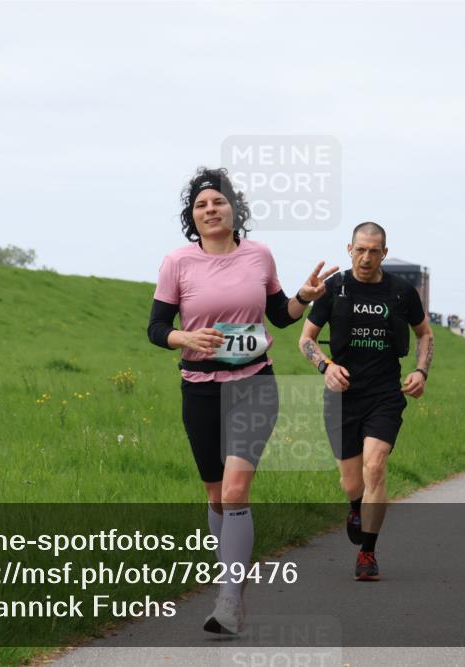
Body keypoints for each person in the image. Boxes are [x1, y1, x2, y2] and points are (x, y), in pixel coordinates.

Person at [147, 167, 337, 634]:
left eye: (218, 201)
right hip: (199, 386)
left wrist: (303, 297)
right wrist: (184, 336)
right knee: (215, 496)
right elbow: (155, 329)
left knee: (235, 491)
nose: (210, 210)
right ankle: (228, 579)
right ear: (192, 217)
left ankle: (230, 599)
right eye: (200, 205)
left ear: (235, 208)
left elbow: (279, 315)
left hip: (254, 382)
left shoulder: (259, 255)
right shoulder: (177, 262)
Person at [299, 222, 433, 582]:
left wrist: (421, 371)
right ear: (349, 249)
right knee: (351, 483)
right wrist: (325, 367)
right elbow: (306, 339)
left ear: (384, 253)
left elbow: (424, 334)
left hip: (384, 395)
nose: (366, 257)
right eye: (360, 249)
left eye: (374, 251)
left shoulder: (402, 292)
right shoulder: (334, 289)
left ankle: (367, 553)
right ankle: (356, 507)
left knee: (375, 467)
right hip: (342, 395)